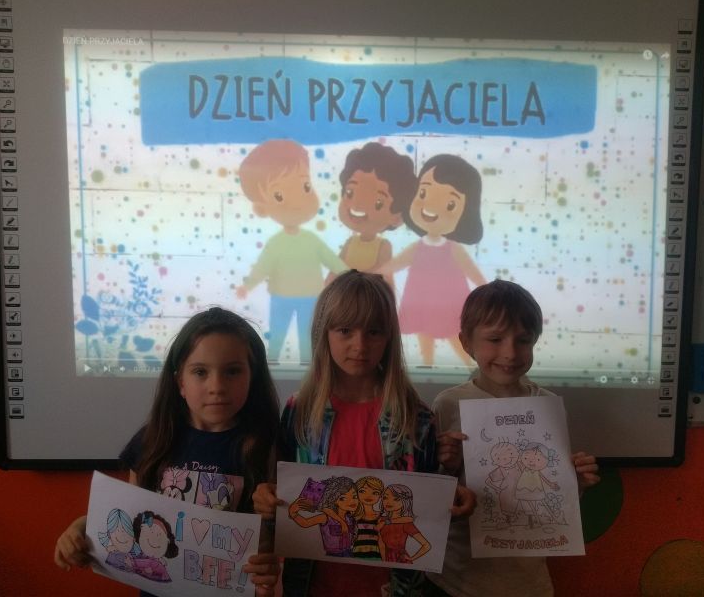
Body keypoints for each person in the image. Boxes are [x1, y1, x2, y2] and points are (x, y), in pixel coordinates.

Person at [252, 270, 475, 596]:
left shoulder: (416, 417)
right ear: (323, 333)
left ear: (389, 337)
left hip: (394, 586)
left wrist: (451, 493)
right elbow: (282, 493)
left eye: (374, 331)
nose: (360, 345)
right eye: (345, 330)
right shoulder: (299, 412)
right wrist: (267, 499)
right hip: (312, 583)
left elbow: (424, 509)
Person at [53, 307, 282, 597]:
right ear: (180, 383)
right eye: (200, 372)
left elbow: (271, 538)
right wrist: (79, 528)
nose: (217, 386)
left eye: (232, 371)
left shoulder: (265, 446)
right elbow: (130, 514)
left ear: (252, 377)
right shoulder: (155, 440)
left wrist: (268, 562)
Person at [424, 279, 600, 597]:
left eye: (523, 340)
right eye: (495, 339)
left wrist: (577, 482)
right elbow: (434, 498)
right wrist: (446, 466)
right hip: (458, 578)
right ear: (466, 342)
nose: (510, 353)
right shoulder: (448, 404)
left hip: (527, 579)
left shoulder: (546, 405)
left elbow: (554, 497)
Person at [235, 139, 347, 364]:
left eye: (305, 187)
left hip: (310, 297)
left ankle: (309, 370)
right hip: (281, 297)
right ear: (261, 208)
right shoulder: (275, 243)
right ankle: (271, 367)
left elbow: (332, 261)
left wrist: (352, 275)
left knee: (308, 339)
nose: (297, 202)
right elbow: (262, 267)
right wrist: (248, 285)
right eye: (279, 195)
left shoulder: (312, 240)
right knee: (277, 335)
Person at [379, 154, 487, 367]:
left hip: (449, 305)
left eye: (450, 204)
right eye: (423, 193)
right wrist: (365, 272)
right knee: (424, 334)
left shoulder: (453, 249)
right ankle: (426, 367)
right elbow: (395, 264)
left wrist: (489, 290)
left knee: (456, 337)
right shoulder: (417, 247)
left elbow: (472, 271)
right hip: (421, 303)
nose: (431, 206)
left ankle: (472, 368)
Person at [335, 142, 417, 286]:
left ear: (397, 216)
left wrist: (354, 278)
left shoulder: (383, 246)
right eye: (350, 192)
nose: (357, 205)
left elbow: (382, 271)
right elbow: (337, 266)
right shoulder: (350, 243)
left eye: (378, 202)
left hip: (372, 294)